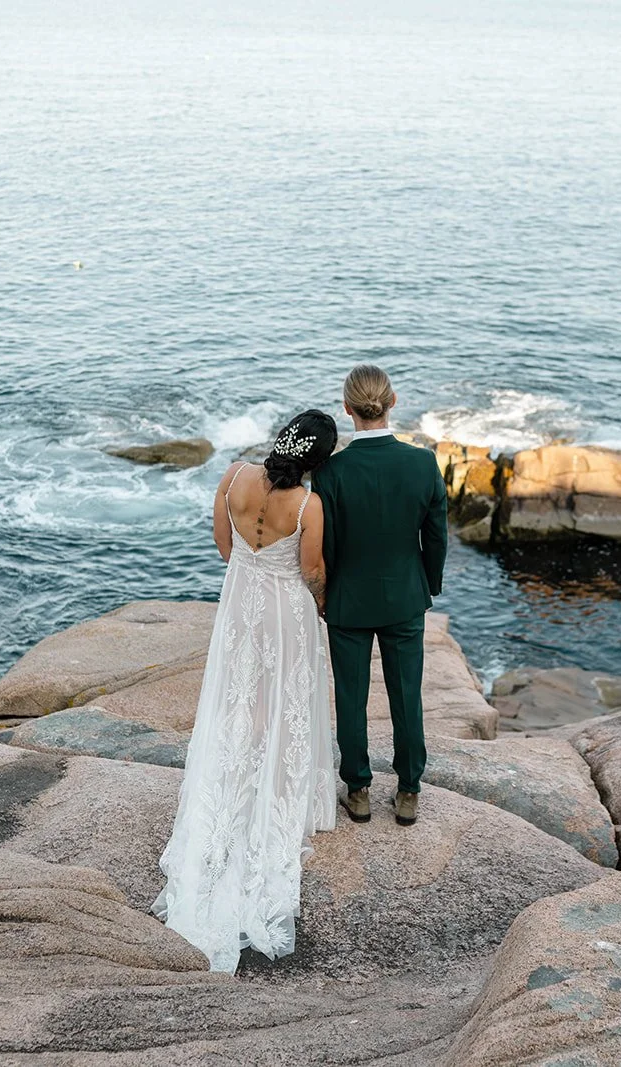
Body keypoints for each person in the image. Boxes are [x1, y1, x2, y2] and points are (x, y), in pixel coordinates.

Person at [152, 409, 340, 973]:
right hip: (286, 611)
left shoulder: (233, 475)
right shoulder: (309, 506)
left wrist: (251, 577)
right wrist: (324, 607)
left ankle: (235, 775)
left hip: (240, 601)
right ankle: (276, 780)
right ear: (317, 460)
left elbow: (222, 544)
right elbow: (312, 571)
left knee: (237, 694)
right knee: (282, 698)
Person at [312, 365, 448, 828]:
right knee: (406, 696)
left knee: (351, 697)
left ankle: (359, 789)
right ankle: (408, 790)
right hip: (405, 598)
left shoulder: (330, 471)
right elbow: (436, 537)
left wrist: (324, 594)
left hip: (348, 601)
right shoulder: (423, 463)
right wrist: (427, 585)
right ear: (394, 402)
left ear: (347, 408)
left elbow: (324, 545)